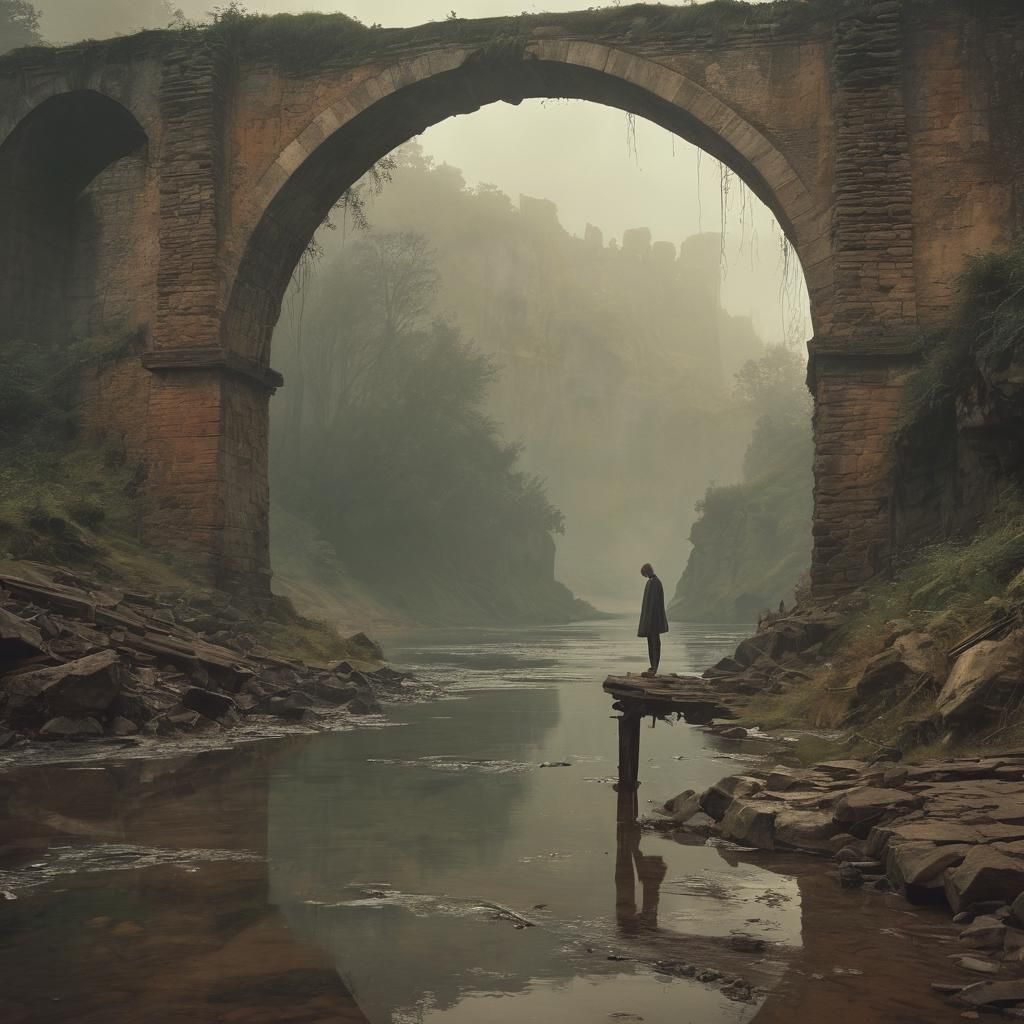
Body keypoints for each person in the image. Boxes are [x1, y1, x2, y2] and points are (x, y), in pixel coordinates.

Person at [637, 563, 668, 678]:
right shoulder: (651, 582)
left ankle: (654, 668)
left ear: (647, 571)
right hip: (651, 620)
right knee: (651, 643)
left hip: (654, 620)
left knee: (654, 643)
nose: (645, 576)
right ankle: (652, 667)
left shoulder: (655, 583)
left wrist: (649, 620)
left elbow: (654, 604)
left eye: (644, 573)